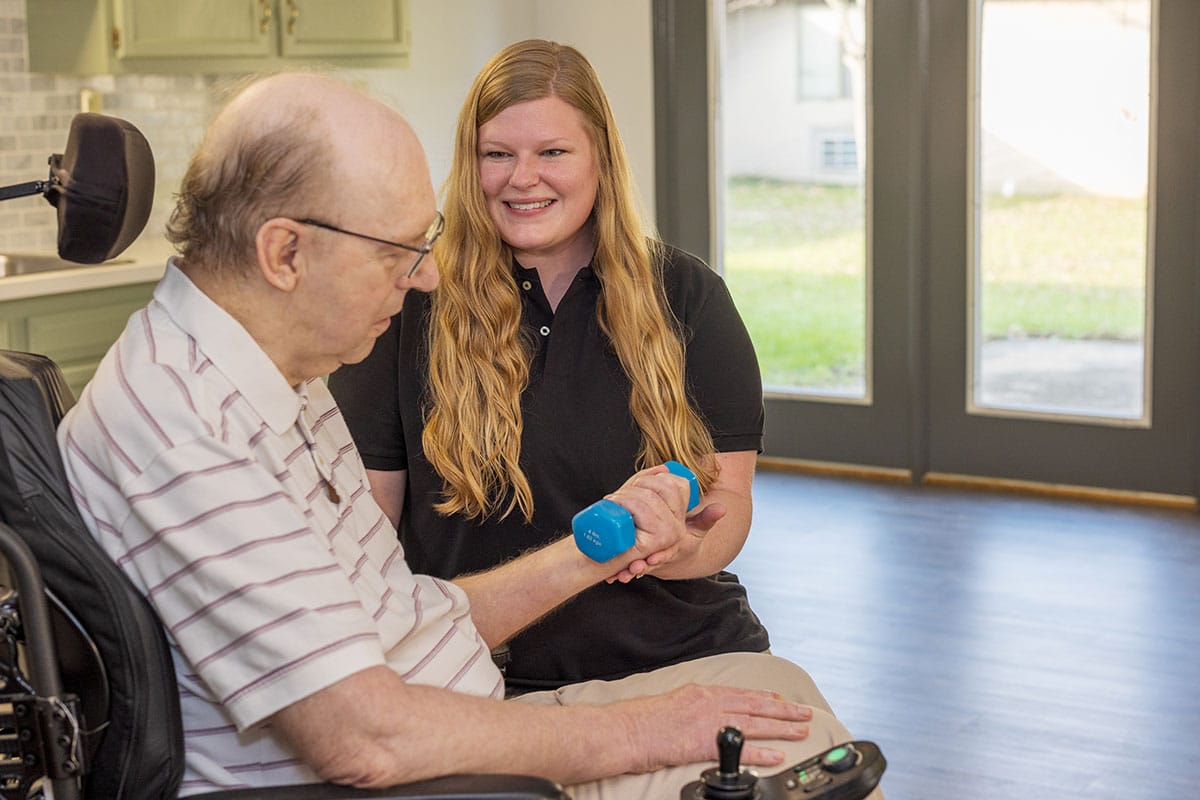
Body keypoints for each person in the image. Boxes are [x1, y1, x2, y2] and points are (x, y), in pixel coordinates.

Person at [56, 72, 879, 799]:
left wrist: (600, 541)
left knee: (782, 700)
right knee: (792, 749)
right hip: (439, 771)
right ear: (285, 253)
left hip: (458, 720)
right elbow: (366, 741)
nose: (422, 275)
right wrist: (649, 728)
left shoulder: (274, 379)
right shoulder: (190, 431)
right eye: (401, 249)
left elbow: (409, 616)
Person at [329, 39, 770, 692]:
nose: (522, 178)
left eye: (553, 153)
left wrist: (682, 548)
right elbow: (364, 536)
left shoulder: (687, 294)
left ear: (599, 159)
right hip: (480, 673)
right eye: (496, 154)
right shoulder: (406, 301)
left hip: (685, 656)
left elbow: (727, 505)